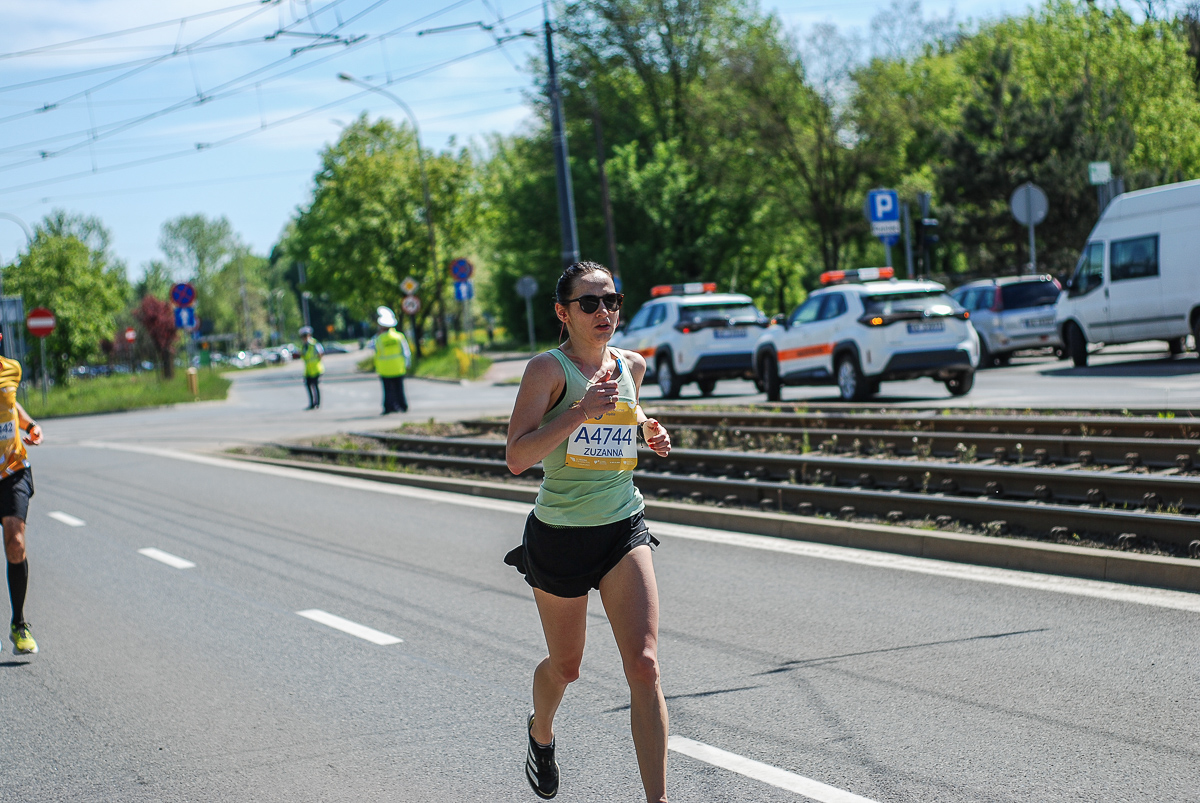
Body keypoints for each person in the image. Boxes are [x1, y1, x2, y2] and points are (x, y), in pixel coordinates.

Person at [504, 261, 672, 802]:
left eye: (612, 301)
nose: (605, 313)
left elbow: (625, 411)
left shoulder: (631, 365)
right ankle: (541, 731)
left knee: (644, 667)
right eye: (590, 303)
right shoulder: (547, 371)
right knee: (567, 666)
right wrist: (579, 411)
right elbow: (517, 456)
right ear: (563, 312)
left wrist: (647, 426)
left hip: (622, 526)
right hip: (560, 535)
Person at [0, 334, 43, 655]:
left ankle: (19, 624)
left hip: (13, 469)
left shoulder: (10, 369)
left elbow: (10, 403)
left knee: (15, 542)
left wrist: (29, 426)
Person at [372, 306, 412, 415]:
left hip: (384, 369)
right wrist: (408, 363)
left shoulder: (379, 339)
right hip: (398, 367)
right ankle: (402, 406)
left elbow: (375, 351)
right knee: (399, 388)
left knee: (388, 390)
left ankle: (389, 407)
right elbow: (406, 351)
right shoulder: (399, 336)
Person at [299, 326, 324, 410]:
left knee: (315, 386)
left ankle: (317, 403)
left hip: (316, 369)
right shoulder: (303, 346)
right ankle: (311, 403)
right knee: (308, 386)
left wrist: (317, 361)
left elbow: (320, 353)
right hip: (308, 370)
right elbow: (303, 356)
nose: (304, 338)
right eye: (303, 337)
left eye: (306, 336)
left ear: (309, 335)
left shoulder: (314, 344)